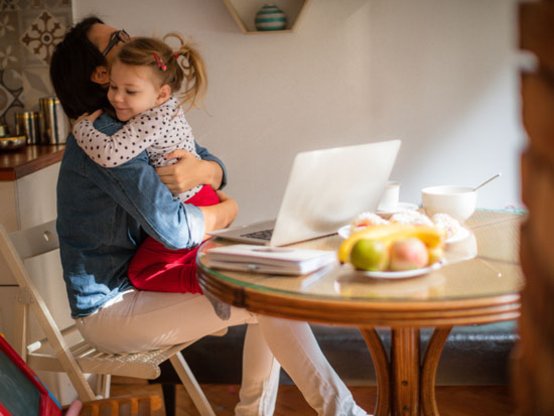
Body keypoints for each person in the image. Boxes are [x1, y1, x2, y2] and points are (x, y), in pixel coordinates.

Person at [51, 16, 369, 415]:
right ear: (101, 75)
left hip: (147, 285)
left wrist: (206, 172)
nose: (130, 37)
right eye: (116, 38)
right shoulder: (107, 145)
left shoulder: (141, 118)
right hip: (112, 309)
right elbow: (177, 232)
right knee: (267, 298)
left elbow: (209, 160)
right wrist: (228, 208)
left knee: (267, 291)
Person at [71, 34, 220, 293]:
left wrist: (81, 128)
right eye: (113, 87)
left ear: (161, 93)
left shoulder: (149, 119)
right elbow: (209, 162)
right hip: (199, 197)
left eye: (130, 91)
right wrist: (224, 200)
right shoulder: (167, 106)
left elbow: (109, 153)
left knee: (143, 273)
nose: (117, 98)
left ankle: (213, 284)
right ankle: (213, 278)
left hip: (190, 205)